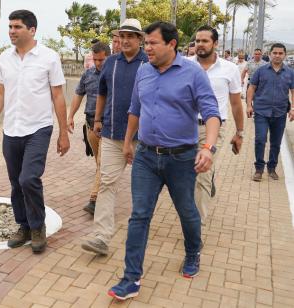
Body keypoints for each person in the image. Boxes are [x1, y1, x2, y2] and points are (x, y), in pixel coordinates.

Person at [108, 21, 221, 300]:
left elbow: (211, 112)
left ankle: (193, 252)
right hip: (146, 156)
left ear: (171, 45)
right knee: (139, 216)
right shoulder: (144, 71)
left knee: (187, 212)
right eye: (145, 43)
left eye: (152, 43)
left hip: (181, 158)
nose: (147, 48)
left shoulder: (193, 73)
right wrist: (127, 142)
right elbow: (135, 108)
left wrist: (207, 147)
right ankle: (131, 278)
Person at [0, 10, 70, 254]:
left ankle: (38, 227)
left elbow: (58, 96)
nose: (11, 31)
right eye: (10, 26)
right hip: (12, 130)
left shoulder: (49, 57)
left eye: (17, 26)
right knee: (15, 182)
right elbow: (0, 94)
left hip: (38, 128)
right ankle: (24, 226)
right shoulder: (5, 58)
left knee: (28, 178)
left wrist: (63, 133)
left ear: (32, 30)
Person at [81, 18, 148, 256]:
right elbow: (101, 93)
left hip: (143, 137)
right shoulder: (110, 63)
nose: (126, 40)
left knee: (143, 188)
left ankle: (143, 235)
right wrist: (98, 120)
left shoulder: (149, 63)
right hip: (110, 133)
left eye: (132, 36)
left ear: (140, 39)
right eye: (123, 35)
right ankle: (101, 236)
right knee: (107, 183)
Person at [189, 26, 244, 225]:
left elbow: (236, 103)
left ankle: (196, 227)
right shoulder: (185, 65)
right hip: (184, 128)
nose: (200, 44)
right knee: (187, 174)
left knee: (201, 175)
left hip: (212, 129)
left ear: (215, 44)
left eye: (205, 41)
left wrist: (240, 133)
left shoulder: (229, 69)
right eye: (197, 41)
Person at [67, 42, 111, 215]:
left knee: (103, 162)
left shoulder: (114, 74)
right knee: (99, 163)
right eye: (96, 59)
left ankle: (94, 200)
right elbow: (78, 95)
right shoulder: (88, 74)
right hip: (90, 125)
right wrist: (70, 116)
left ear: (109, 56)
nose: (99, 63)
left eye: (102, 59)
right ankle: (103, 184)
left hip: (109, 126)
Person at [246, 43, 294, 181]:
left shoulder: (290, 72)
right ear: (270, 54)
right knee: (260, 139)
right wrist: (249, 105)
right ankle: (259, 169)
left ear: (284, 55)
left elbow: (293, 91)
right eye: (275, 53)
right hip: (261, 111)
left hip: (280, 113)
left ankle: (272, 168)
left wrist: (292, 109)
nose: (277, 55)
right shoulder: (261, 71)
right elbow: (251, 88)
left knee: (276, 142)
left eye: (280, 53)